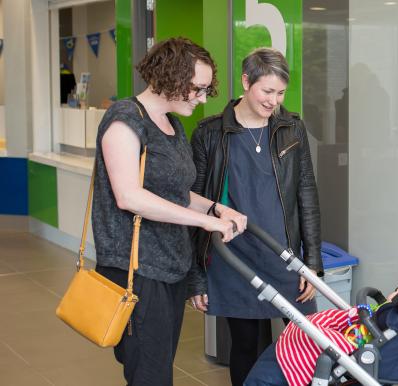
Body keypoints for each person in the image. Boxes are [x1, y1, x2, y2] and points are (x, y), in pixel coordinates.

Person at [92, 37, 248, 385]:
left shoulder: (173, 124)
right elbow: (130, 197)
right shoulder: (125, 120)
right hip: (138, 270)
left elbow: (176, 193)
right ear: (170, 77)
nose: (203, 98)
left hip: (171, 267)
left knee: (158, 367)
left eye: (208, 89)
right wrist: (206, 221)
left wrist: (217, 208)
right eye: (197, 88)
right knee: (150, 375)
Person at [188, 47, 323, 386]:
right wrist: (197, 275)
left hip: (285, 257)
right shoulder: (210, 133)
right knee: (247, 345)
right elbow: (193, 204)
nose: (273, 101)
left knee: (309, 342)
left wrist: (313, 262)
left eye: (279, 93)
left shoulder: (292, 128)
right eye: (267, 91)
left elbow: (307, 193)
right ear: (246, 82)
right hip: (236, 260)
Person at [244, 268, 398, 386]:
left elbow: (348, 340)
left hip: (291, 360)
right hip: (293, 347)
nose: (397, 290)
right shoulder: (381, 315)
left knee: (262, 378)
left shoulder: (389, 319)